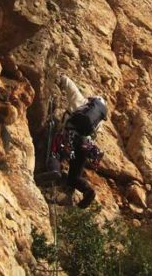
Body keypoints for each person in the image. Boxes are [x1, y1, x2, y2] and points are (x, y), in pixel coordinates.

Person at [53, 74, 108, 208]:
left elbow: (69, 84)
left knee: (55, 153)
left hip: (70, 138)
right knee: (74, 177)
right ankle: (87, 190)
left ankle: (53, 171)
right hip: (85, 146)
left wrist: (59, 77)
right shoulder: (98, 123)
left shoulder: (82, 103)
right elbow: (93, 136)